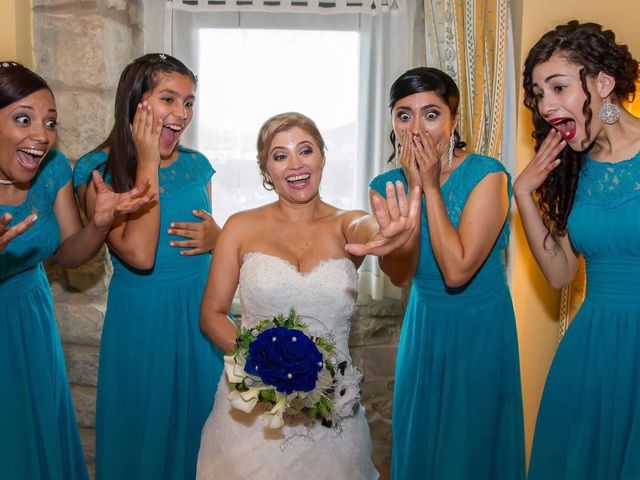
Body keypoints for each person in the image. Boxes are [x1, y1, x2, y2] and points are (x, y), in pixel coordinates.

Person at [195, 111, 420, 479]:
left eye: (306, 150)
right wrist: (262, 367)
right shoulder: (240, 226)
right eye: (280, 155)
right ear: (266, 170)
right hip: (251, 414)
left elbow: (367, 229)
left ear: (323, 157)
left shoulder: (347, 222)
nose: (296, 164)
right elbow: (212, 313)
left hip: (332, 413)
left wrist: (386, 228)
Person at [367, 67, 525, 479]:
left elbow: (457, 270)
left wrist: (431, 188)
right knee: (421, 438)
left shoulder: (487, 176)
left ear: (453, 120)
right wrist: (413, 194)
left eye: (431, 114)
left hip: (480, 326)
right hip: (425, 324)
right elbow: (401, 274)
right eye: (404, 115)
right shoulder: (385, 186)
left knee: (471, 445)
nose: (416, 128)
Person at [73, 53, 224, 479]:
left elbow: (214, 238)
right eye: (169, 99)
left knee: (204, 429)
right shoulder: (97, 171)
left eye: (189, 102)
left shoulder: (197, 165)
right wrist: (147, 162)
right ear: (135, 102)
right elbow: (140, 255)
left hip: (200, 315)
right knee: (145, 431)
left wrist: (220, 236)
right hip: (144, 321)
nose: (181, 114)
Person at [0, 62, 152, 479]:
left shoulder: (52, 170)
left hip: (30, 317)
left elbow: (69, 254)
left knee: (38, 432)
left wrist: (99, 226)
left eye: (50, 122)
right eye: (23, 119)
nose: (41, 135)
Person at [515, 21, 640, 479]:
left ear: (603, 83)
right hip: (592, 350)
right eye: (538, 92)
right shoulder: (575, 168)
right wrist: (524, 194)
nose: (546, 105)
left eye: (558, 87)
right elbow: (561, 273)